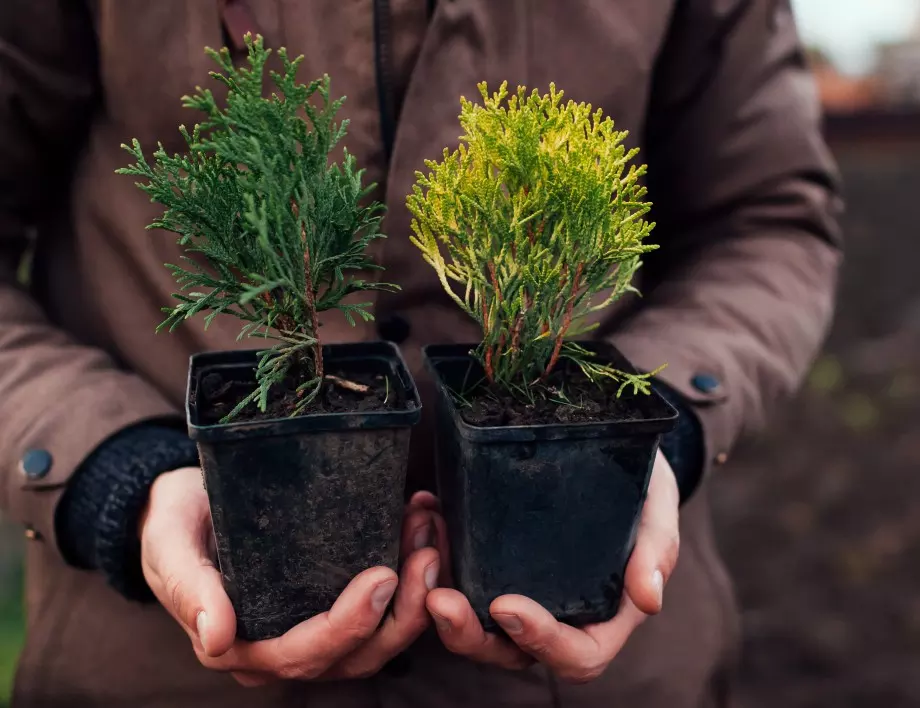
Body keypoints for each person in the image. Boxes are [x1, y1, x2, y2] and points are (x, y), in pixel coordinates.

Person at [0, 0, 842, 706]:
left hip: (601, 679)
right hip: (157, 672)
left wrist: (653, 433)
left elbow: (766, 216)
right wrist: (114, 472)